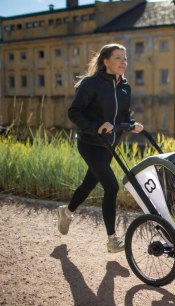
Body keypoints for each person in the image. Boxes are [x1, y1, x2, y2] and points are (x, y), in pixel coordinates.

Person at [57, 43, 143, 253]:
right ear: (105, 61)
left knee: (88, 183)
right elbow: (74, 112)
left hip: (109, 145)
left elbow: (123, 115)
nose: (123, 62)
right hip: (89, 143)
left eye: (125, 58)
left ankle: (66, 212)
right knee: (111, 186)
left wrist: (132, 124)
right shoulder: (91, 84)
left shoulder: (125, 87)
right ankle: (112, 239)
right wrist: (97, 127)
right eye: (118, 58)